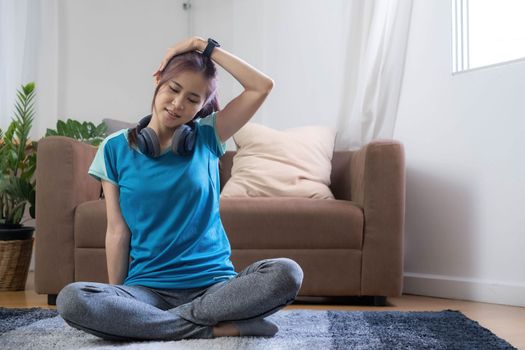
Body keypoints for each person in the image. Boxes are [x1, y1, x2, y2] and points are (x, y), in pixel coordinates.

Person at [55, 36, 304, 341]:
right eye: (173, 90)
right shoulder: (115, 148)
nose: (177, 104)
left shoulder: (209, 135)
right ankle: (217, 328)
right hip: (147, 290)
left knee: (286, 273)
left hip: (215, 288)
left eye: (192, 99)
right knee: (72, 299)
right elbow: (117, 231)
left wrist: (204, 46)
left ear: (202, 106)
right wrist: (118, 297)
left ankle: (158, 326)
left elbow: (261, 86)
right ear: (158, 80)